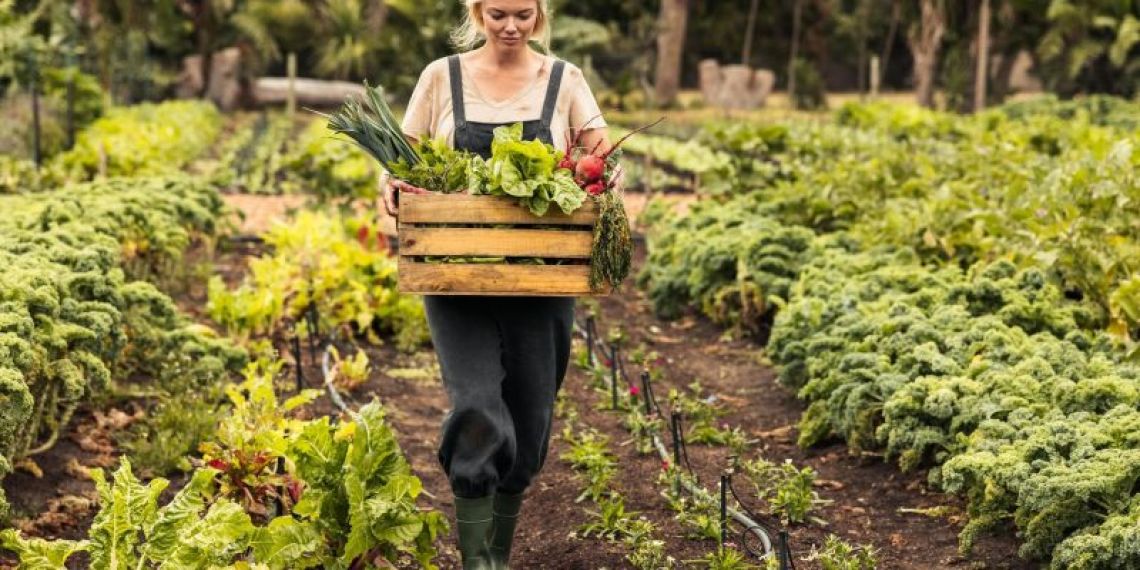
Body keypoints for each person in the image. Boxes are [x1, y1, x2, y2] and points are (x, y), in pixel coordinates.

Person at [378, 1, 618, 568]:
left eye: (522, 14)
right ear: (477, 13)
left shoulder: (564, 79)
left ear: (539, 15)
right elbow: (402, 159)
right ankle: (478, 562)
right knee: (477, 406)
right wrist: (389, 182)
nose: (511, 26)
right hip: (456, 275)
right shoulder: (441, 76)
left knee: (532, 417)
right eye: (498, 14)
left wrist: (603, 175)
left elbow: (600, 152)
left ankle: (499, 550)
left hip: (542, 277)